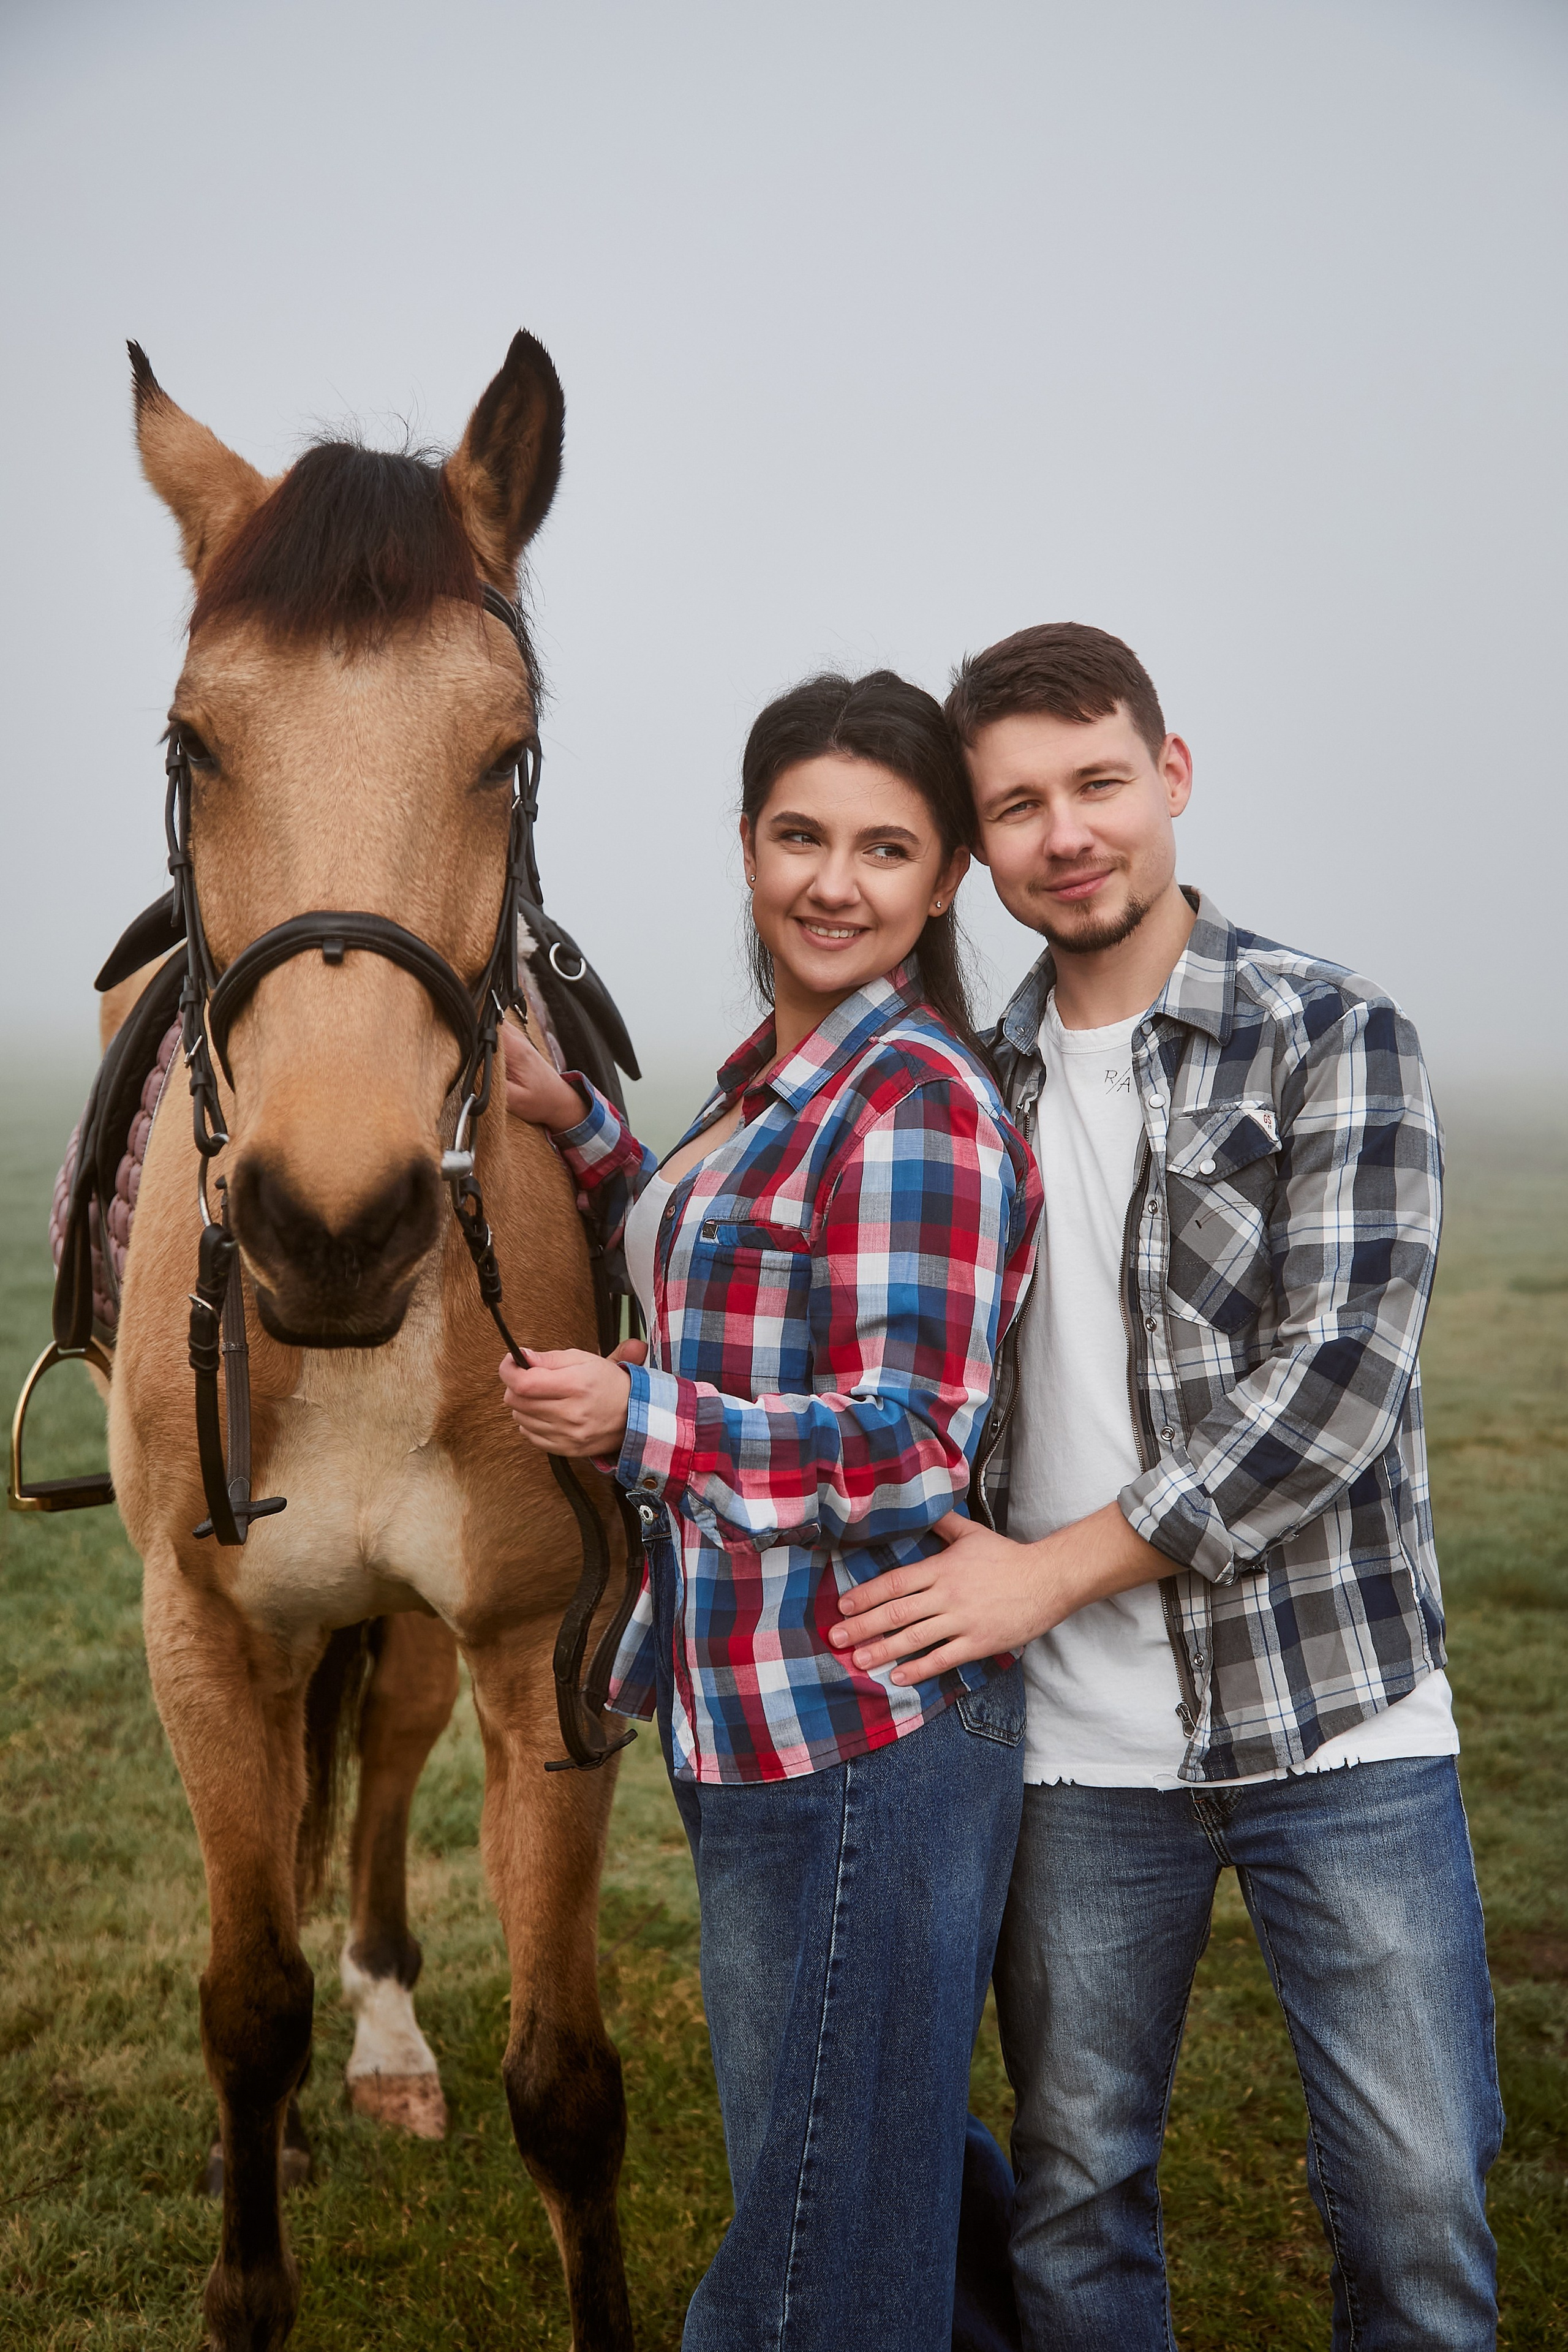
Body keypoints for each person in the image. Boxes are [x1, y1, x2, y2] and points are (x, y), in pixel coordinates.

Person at [832, 625, 1502, 2351]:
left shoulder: (1333, 1032)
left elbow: (1334, 1389)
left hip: (1338, 1725)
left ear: (1172, 775)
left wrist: (1041, 1576)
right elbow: (771, 1228)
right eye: (1020, 807)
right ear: (984, 852)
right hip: (1072, 1759)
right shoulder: (965, 1091)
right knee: (1073, 2198)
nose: (1068, 834)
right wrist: (583, 1132)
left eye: (1099, 785)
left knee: (1417, 2200)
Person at [499, 670, 1041, 2352]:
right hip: (754, 1719)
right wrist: (587, 1132)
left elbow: (909, 1439)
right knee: (876, 2168)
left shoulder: (920, 1103)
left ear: (945, 877)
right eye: (799, 836)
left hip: (858, 1734)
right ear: (745, 847)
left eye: (887, 849)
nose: (835, 880)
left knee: (812, 2250)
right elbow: (725, 1247)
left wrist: (635, 1415)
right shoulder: (778, 1084)